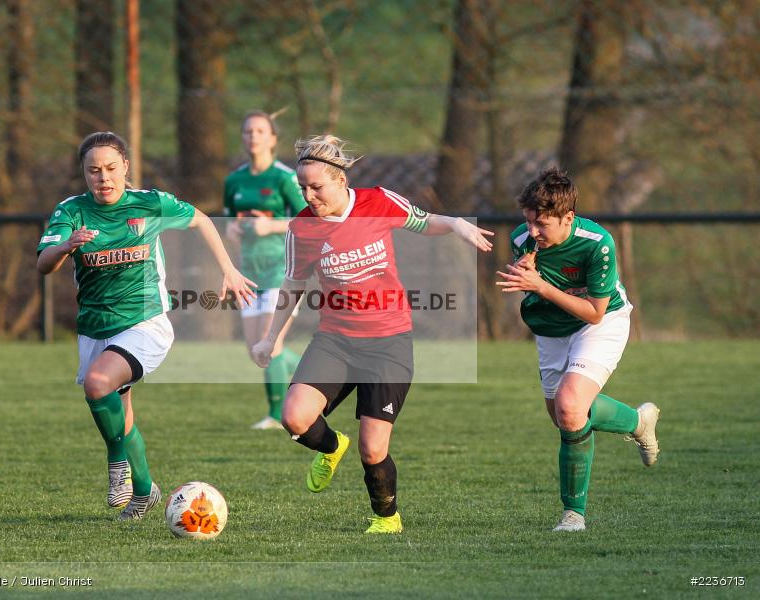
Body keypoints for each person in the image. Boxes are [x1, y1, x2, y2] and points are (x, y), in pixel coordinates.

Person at [251, 135, 494, 534]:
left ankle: (386, 518)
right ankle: (331, 448)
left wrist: (454, 224)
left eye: (317, 187)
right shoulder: (302, 228)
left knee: (373, 447)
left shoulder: (378, 201)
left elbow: (422, 222)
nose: (309, 195)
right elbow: (293, 285)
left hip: (388, 342)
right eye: (303, 188)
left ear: (341, 181)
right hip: (336, 339)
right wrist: (270, 337)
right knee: (294, 418)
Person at [37, 132, 255, 521]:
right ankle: (143, 491)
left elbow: (201, 220)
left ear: (125, 168)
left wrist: (228, 269)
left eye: (110, 169)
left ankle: (116, 464)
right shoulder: (71, 212)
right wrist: (66, 246)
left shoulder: (149, 204)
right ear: (84, 174)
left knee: (98, 383)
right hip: (95, 326)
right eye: (93, 171)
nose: (103, 178)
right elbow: (44, 264)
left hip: (145, 321)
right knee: (118, 409)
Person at [496, 167, 660, 532]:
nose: (533, 232)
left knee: (571, 408)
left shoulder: (596, 243)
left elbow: (595, 311)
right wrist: (526, 271)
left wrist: (539, 286)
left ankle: (573, 515)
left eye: (542, 224)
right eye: (528, 222)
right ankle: (637, 421)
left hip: (599, 323)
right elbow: (535, 276)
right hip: (553, 328)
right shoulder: (523, 237)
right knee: (563, 415)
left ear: (567, 217)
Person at [223, 110, 305, 430]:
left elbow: (308, 220)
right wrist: (232, 230)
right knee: (255, 350)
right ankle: (321, 375)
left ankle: (275, 415)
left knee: (270, 347)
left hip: (282, 269)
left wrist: (270, 225)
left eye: (260, 131)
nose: (253, 136)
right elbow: (232, 220)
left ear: (272, 139)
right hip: (249, 272)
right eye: (247, 131)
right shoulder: (234, 181)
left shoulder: (284, 178)